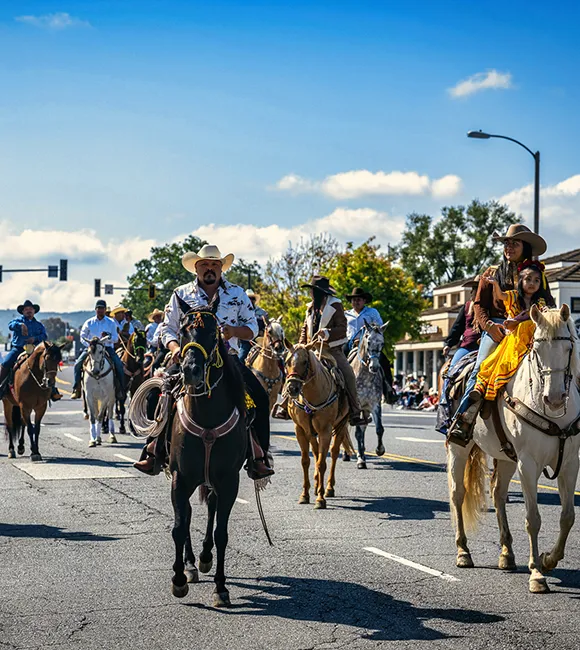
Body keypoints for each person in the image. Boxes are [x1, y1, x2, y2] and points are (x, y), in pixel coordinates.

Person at [133, 244, 274, 479]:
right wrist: (175, 348)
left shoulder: (237, 293)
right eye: (205, 265)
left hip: (227, 359)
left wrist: (233, 331)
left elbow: (253, 327)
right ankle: (153, 450)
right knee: (157, 394)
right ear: (196, 268)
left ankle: (259, 457)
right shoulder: (181, 294)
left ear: (221, 268)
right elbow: (167, 329)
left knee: (258, 396)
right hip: (189, 356)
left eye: (214, 265)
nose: (210, 269)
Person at [447, 223, 547, 446]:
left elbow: (546, 302)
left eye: (515, 243)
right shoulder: (491, 273)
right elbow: (479, 305)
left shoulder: (538, 273)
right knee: (480, 367)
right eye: (506, 243)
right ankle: (464, 419)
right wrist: (489, 326)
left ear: (525, 246)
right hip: (496, 328)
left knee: (558, 361)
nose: (509, 247)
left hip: (529, 327)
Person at [272, 276, 369, 426]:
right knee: (294, 368)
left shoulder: (336, 305)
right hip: (310, 350)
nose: (311, 293)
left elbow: (342, 329)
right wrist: (301, 346)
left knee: (348, 374)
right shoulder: (310, 307)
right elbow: (305, 329)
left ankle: (355, 412)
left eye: (313, 291)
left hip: (332, 351)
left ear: (320, 292)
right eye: (311, 290)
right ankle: (285, 404)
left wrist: (327, 333)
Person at [473, 260, 555, 401]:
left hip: (534, 338)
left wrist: (517, 320)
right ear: (520, 281)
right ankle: (473, 401)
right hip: (514, 338)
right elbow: (501, 296)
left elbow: (540, 314)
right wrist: (496, 285)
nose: (532, 283)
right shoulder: (515, 296)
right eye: (528, 279)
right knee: (489, 362)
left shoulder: (541, 302)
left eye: (536, 280)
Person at [0, 300, 62, 401]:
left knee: (47, 364)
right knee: (6, 363)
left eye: (31, 309)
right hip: (19, 349)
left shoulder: (39, 325)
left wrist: (35, 338)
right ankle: (1, 387)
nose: (29, 311)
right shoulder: (17, 321)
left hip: (35, 350)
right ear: (23, 311)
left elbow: (44, 336)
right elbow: (10, 325)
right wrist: (21, 326)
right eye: (26, 309)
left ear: (34, 311)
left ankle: (52, 390)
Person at [70, 300, 126, 400]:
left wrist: (108, 337)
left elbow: (115, 338)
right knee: (78, 364)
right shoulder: (89, 322)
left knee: (119, 365)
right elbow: (82, 337)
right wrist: (90, 345)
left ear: (105, 310)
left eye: (102, 308)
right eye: (98, 308)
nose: (100, 310)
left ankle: (121, 389)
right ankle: (76, 388)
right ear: (95, 309)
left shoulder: (111, 322)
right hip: (91, 348)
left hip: (107, 348)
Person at [238, 289, 268, 364]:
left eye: (253, 298)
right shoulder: (240, 313)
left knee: (277, 357)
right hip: (246, 342)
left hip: (261, 342)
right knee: (240, 359)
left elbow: (267, 326)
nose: (251, 300)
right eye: (248, 298)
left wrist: (263, 331)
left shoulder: (262, 312)